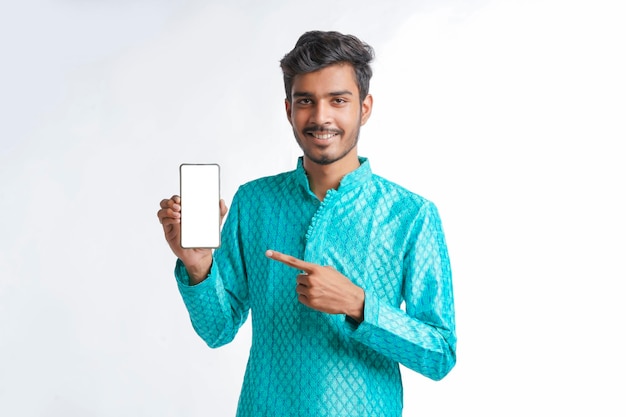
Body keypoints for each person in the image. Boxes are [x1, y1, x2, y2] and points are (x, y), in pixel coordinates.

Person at [157, 30, 456, 417]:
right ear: (288, 109)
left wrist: (357, 303)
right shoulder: (254, 202)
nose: (320, 117)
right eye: (306, 101)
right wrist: (198, 267)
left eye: (338, 100)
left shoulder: (411, 215)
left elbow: (440, 355)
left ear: (364, 108)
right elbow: (218, 330)